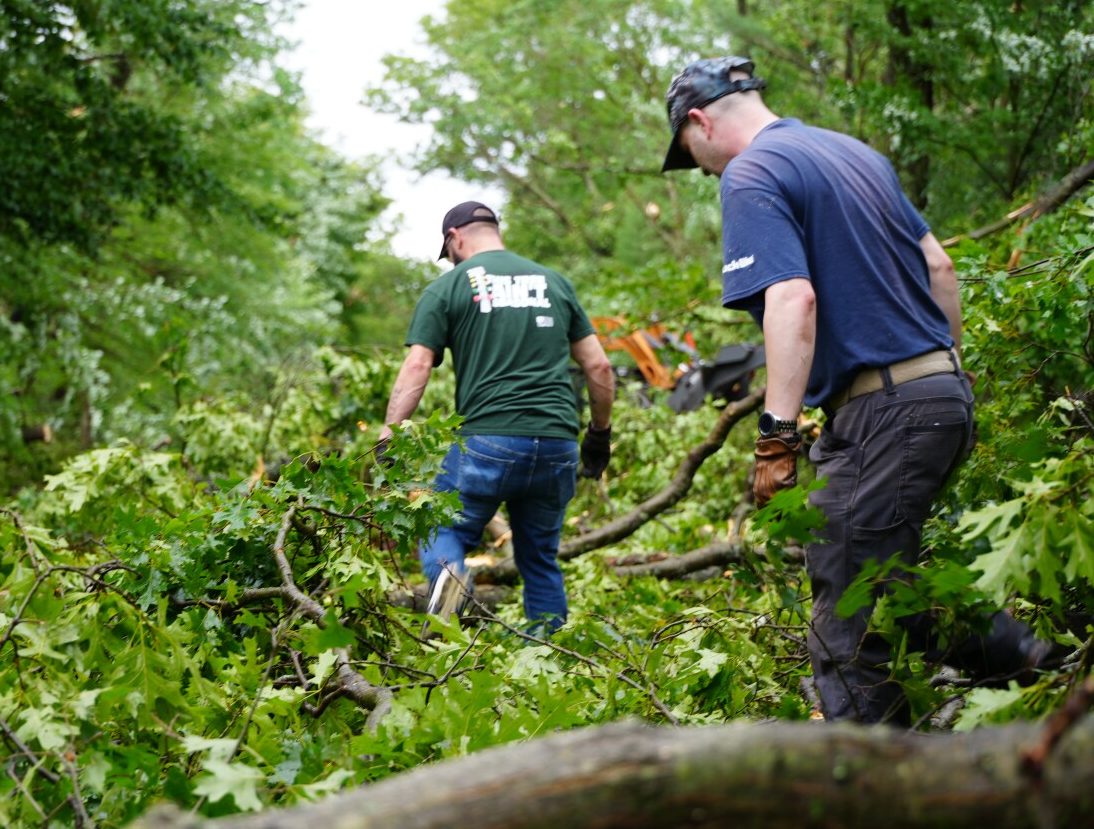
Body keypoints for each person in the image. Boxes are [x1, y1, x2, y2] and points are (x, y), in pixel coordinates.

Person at [660, 56, 1053, 724]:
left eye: (691, 155)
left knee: (845, 625)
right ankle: (1034, 660)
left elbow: (793, 299)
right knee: (886, 582)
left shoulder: (752, 171)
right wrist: (948, 371)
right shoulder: (855, 154)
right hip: (938, 397)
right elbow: (940, 267)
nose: (702, 171)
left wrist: (777, 437)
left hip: (885, 412)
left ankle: (875, 775)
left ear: (700, 121)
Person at [378, 201, 615, 632]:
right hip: (558, 441)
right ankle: (546, 655)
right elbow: (598, 366)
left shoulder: (448, 287)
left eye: (449, 252)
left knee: (439, 531)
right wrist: (599, 435)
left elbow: (418, 365)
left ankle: (450, 596)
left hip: (489, 439)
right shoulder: (555, 283)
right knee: (539, 558)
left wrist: (388, 434)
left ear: (454, 238)